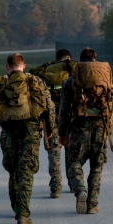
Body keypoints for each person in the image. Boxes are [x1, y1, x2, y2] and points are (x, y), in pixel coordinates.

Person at [0, 53, 55, 224]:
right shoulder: (35, 81)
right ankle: (23, 213)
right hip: (30, 132)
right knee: (26, 172)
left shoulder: (1, 83)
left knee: (13, 171)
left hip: (8, 134)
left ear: (7, 67)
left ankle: (17, 207)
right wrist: (50, 129)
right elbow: (49, 106)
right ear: (23, 65)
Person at [58, 48, 113, 214]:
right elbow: (111, 106)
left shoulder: (71, 81)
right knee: (97, 166)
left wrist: (62, 133)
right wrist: (109, 130)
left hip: (79, 127)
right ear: (95, 60)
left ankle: (80, 189)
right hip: (100, 126)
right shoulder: (105, 80)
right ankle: (92, 204)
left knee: (74, 163)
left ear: (80, 61)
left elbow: (63, 109)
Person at [43, 49, 77, 198]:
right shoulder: (72, 70)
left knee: (53, 153)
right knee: (71, 151)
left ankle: (55, 187)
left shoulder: (47, 70)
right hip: (69, 117)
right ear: (69, 58)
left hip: (50, 118)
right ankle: (72, 183)